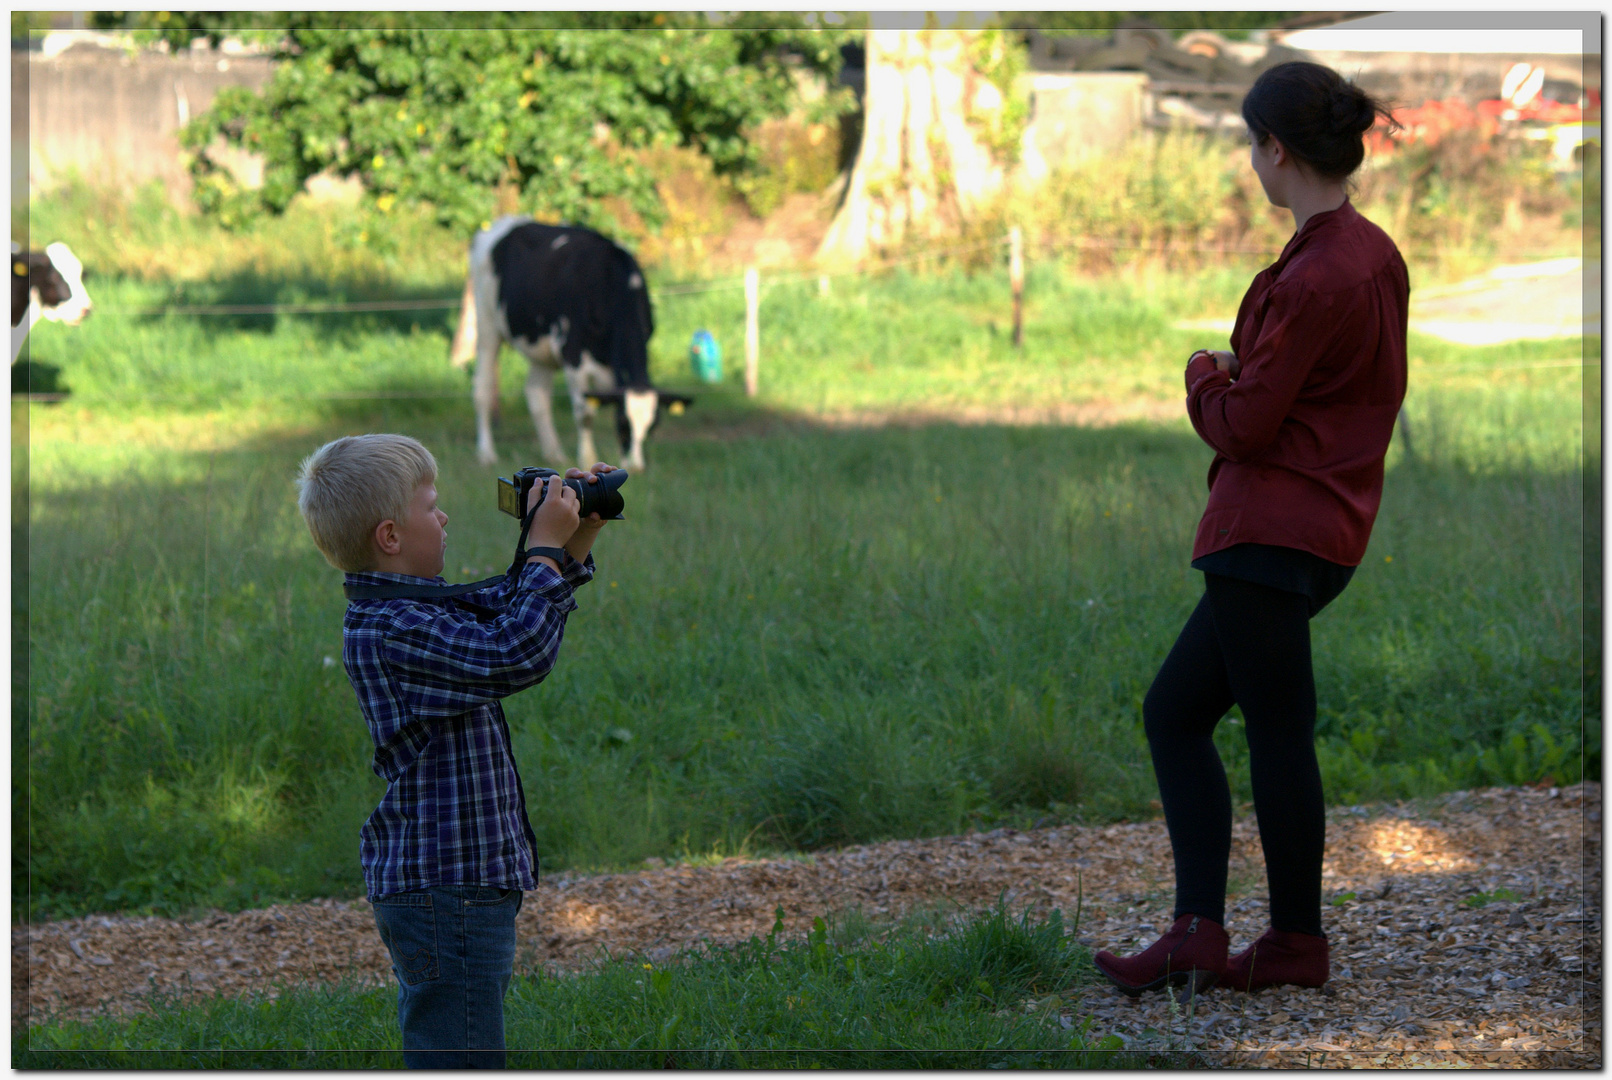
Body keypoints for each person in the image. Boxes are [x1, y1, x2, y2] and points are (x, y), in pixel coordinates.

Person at [1094, 61, 1407, 997]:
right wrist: (1252, 373)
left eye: (1250, 146)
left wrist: (1204, 370)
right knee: (1182, 712)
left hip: (1266, 532)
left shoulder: (1312, 274)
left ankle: (1273, 943)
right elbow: (1353, 395)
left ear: (1275, 148)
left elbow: (1242, 425)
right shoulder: (1376, 255)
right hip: (1330, 529)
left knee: (1271, 730)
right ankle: (1224, 935)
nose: (1251, 163)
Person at [296, 433, 616, 1066]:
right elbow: (514, 650)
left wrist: (575, 536)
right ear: (390, 536)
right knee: (461, 1057)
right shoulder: (392, 629)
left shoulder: (412, 609)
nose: (444, 518)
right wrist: (545, 549)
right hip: (446, 886)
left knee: (463, 1048)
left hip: (456, 883)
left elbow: (504, 606)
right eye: (431, 506)